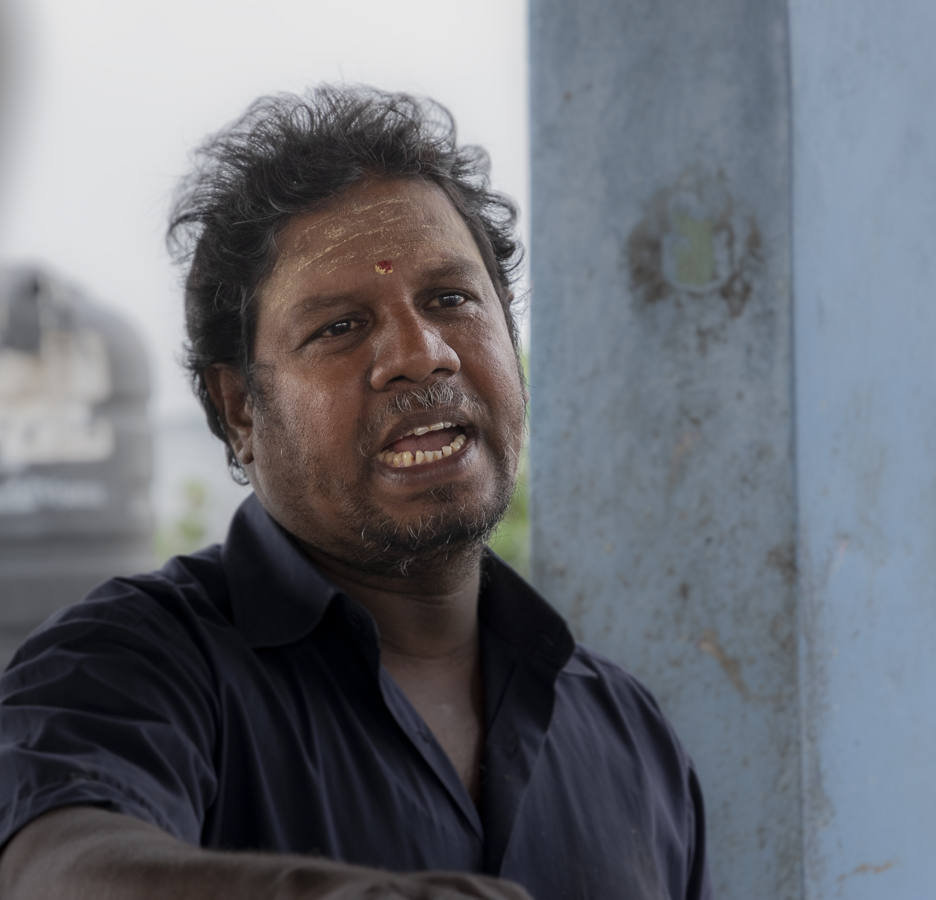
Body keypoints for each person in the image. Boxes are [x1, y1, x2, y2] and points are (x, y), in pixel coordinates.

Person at [0, 86, 712, 900]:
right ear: (240, 409)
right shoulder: (128, 667)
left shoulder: (631, 737)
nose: (421, 353)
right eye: (339, 327)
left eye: (450, 300)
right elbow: (54, 871)